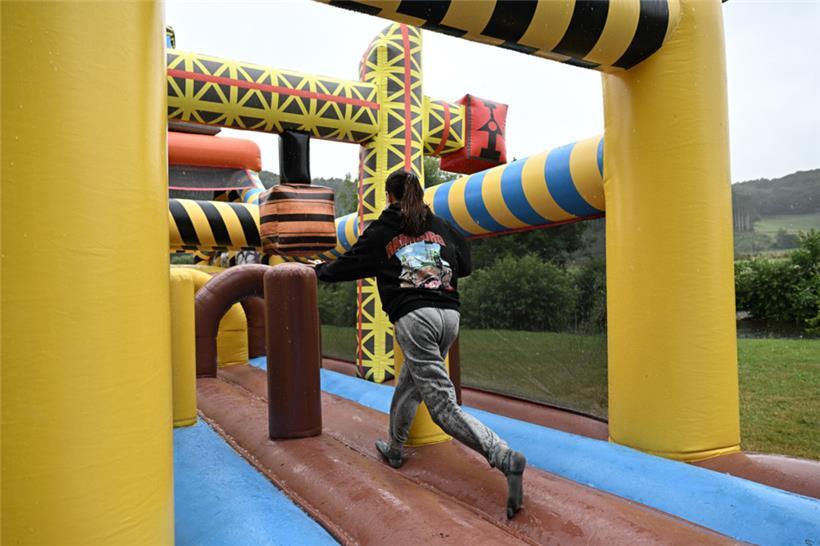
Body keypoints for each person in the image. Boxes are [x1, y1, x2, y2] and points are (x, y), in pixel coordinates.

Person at [313, 170, 526, 519]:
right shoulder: (440, 225)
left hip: (416, 318)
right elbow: (466, 262)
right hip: (449, 318)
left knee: (443, 408)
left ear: (389, 196)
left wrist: (319, 270)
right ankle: (395, 448)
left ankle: (502, 456)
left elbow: (350, 264)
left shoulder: (384, 229)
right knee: (410, 383)